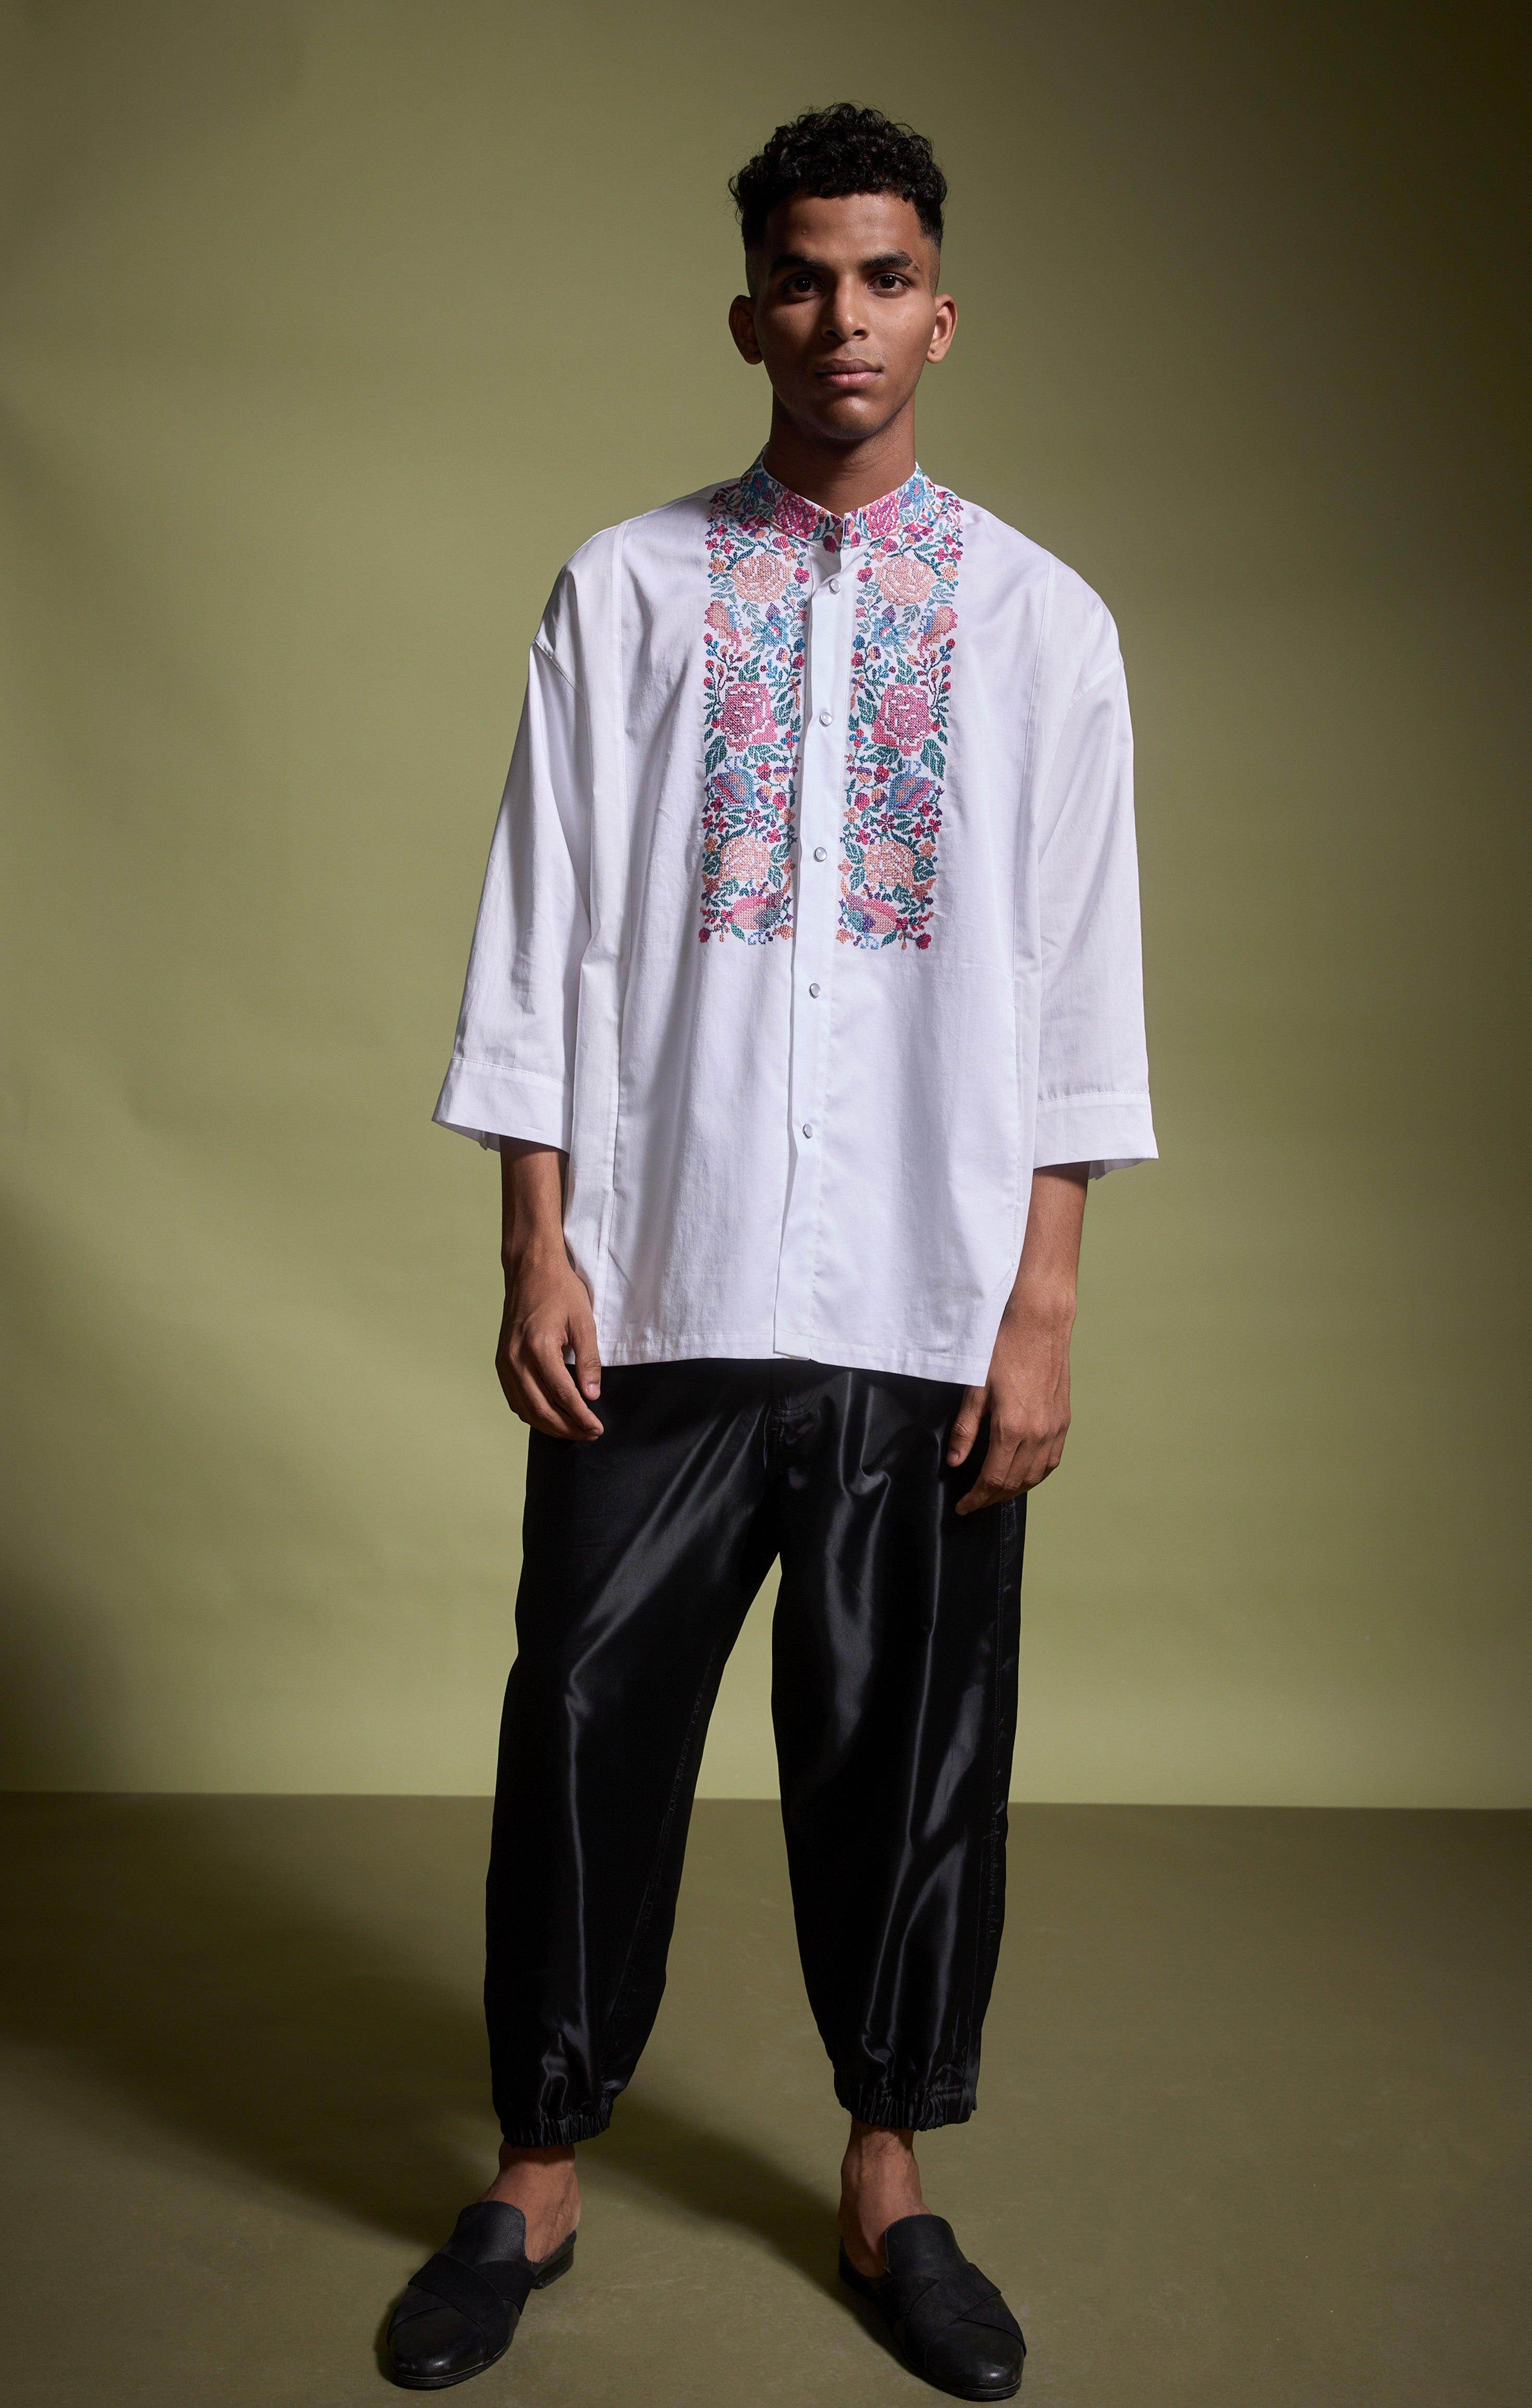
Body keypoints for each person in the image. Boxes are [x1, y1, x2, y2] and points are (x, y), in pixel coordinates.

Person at [384, 101, 1156, 2400]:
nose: (844, 318)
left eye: (883, 276)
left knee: (907, 1750)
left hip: (926, 1294)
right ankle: (534, 2172)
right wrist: (536, 1244)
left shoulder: (1039, 626)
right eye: (804, 279)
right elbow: (536, 932)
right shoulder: (626, 592)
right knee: (581, 1716)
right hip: (666, 1272)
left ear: (942, 311)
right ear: (748, 316)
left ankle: (887, 2177)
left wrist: (1039, 1309)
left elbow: (1079, 983)